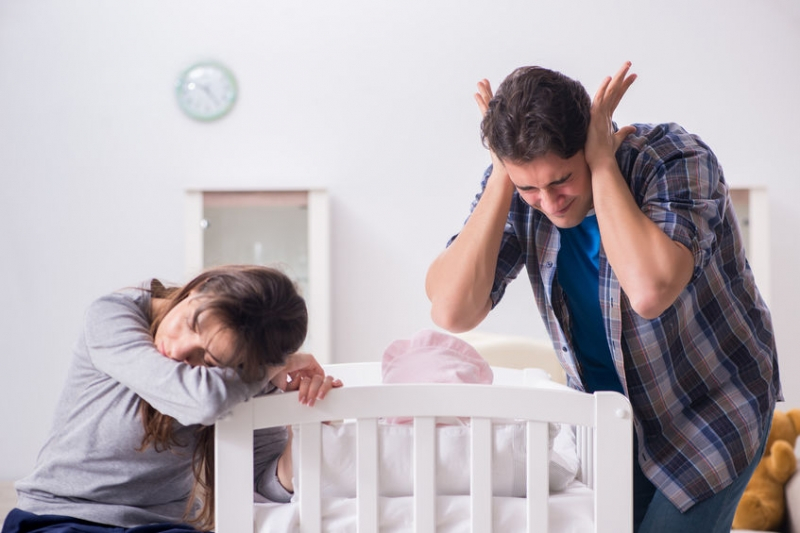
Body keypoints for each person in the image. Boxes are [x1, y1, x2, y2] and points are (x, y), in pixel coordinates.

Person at [425, 61, 781, 533]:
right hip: (615, 425)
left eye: (561, 181)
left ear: (589, 142)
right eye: (528, 186)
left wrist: (603, 165)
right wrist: (499, 177)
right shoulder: (515, 190)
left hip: (712, 407)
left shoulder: (673, 161)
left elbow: (650, 290)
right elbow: (452, 309)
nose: (548, 202)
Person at [3, 264, 341, 533]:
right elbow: (200, 401)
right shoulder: (113, 316)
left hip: (164, 525)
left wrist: (301, 430)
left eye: (208, 362)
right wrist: (272, 367)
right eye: (192, 323)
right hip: (60, 516)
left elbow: (263, 482)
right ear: (197, 287)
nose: (178, 349)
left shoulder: (244, 379)